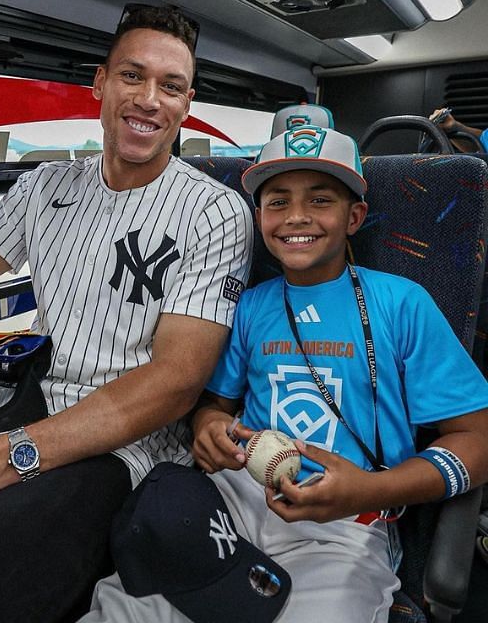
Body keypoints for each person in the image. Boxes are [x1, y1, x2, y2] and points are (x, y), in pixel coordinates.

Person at [0, 4, 253, 621]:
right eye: (132, 76)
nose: (149, 100)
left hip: (119, 457)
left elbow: (174, 383)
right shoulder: (47, 186)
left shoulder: (215, 213)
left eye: (170, 87)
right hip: (19, 406)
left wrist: (4, 459)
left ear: (186, 102)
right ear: (99, 82)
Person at [82, 127, 488, 623]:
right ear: (260, 218)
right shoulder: (248, 306)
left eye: (320, 200)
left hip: (345, 523)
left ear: (354, 216)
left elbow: (479, 440)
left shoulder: (402, 304)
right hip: (231, 500)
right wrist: (207, 427)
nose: (297, 216)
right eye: (278, 202)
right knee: (127, 608)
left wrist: (371, 490)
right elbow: (216, 404)